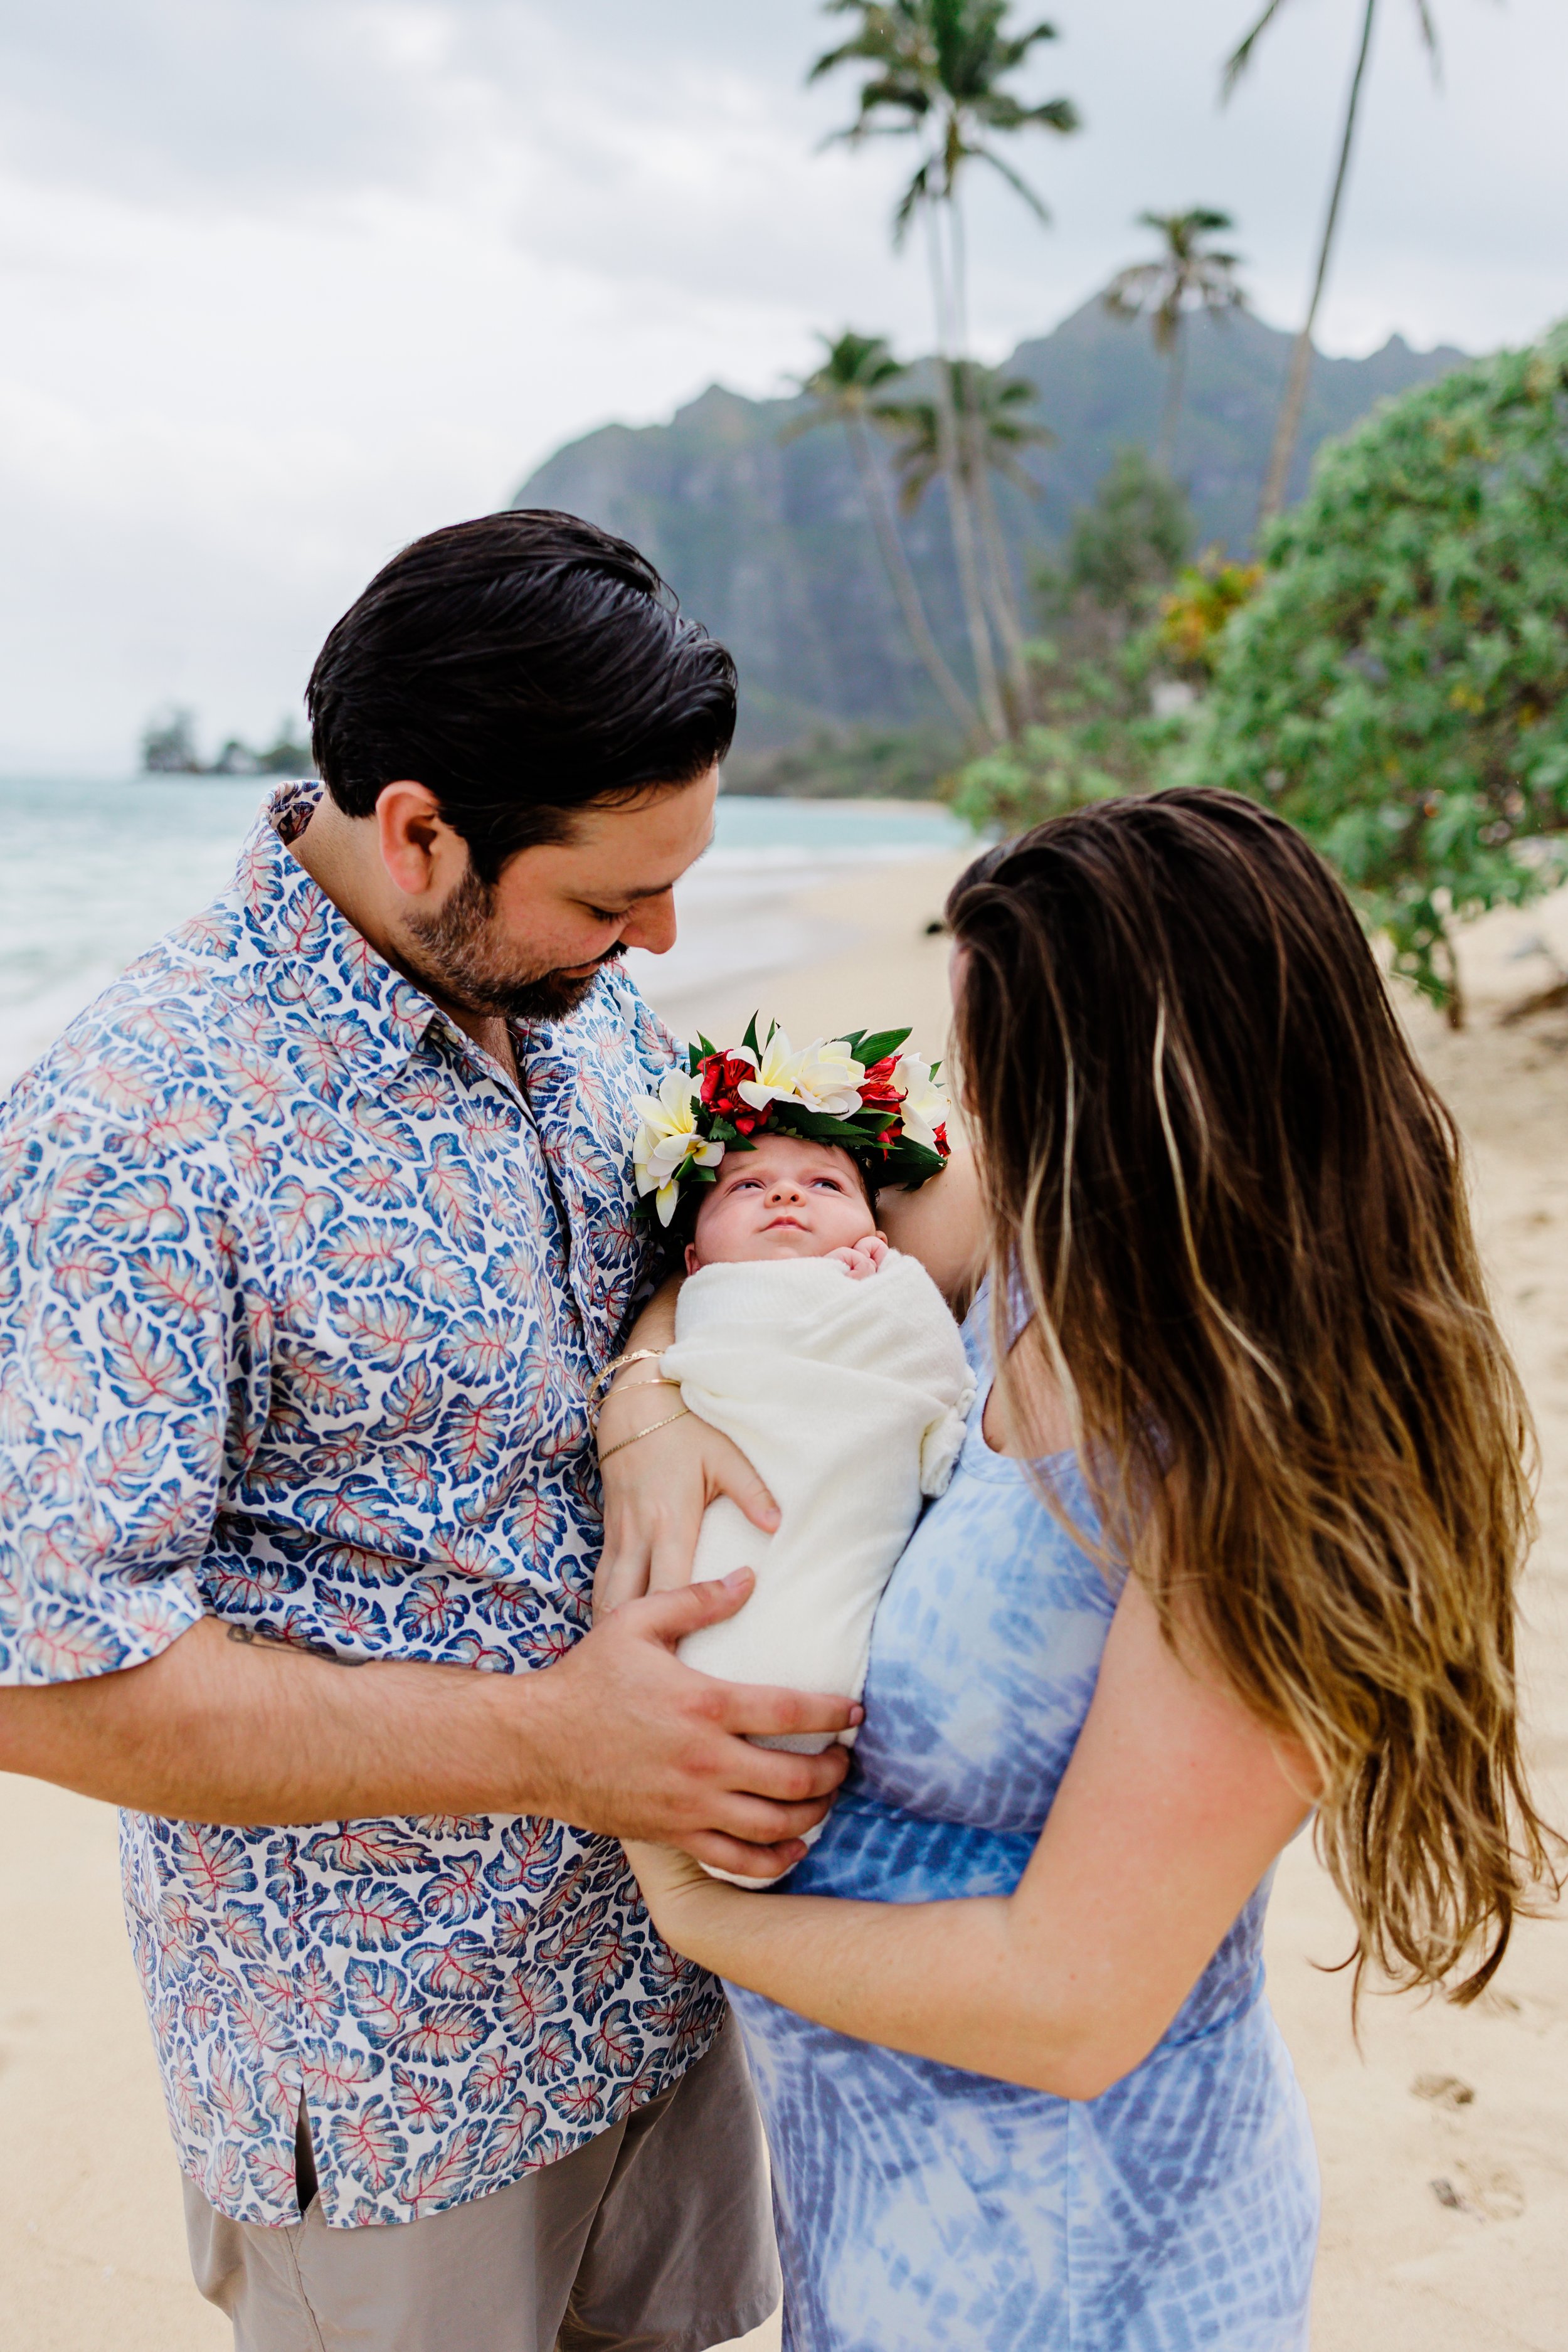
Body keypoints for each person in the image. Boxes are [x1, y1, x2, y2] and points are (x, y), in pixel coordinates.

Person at [0, 510, 862, 2352]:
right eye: (614, 895)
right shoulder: (128, 1136)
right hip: (393, 2091)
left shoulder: (585, 1004)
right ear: (417, 831)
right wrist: (558, 1741)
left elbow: (698, 1232)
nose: (659, 937)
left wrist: (644, 1386)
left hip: (668, 1990)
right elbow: (45, 1677)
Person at [619, 790, 1557, 2349]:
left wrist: (690, 1909)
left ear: (1122, 1107)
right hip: (875, 2219)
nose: (957, 1095)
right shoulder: (1049, 1248)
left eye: (991, 1061)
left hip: (1093, 2264)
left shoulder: (1266, 1481)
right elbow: (747, 1250)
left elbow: (1070, 1999)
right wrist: (644, 1404)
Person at [615, 1045, 971, 1852]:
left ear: (877, 1232)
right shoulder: (705, 1305)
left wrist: (884, 1299)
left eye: (825, 1185)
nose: (784, 1192)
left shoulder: (879, 1288)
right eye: (746, 1186)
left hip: (836, 1532)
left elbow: (928, 1377)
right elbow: (701, 1367)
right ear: (694, 1264)